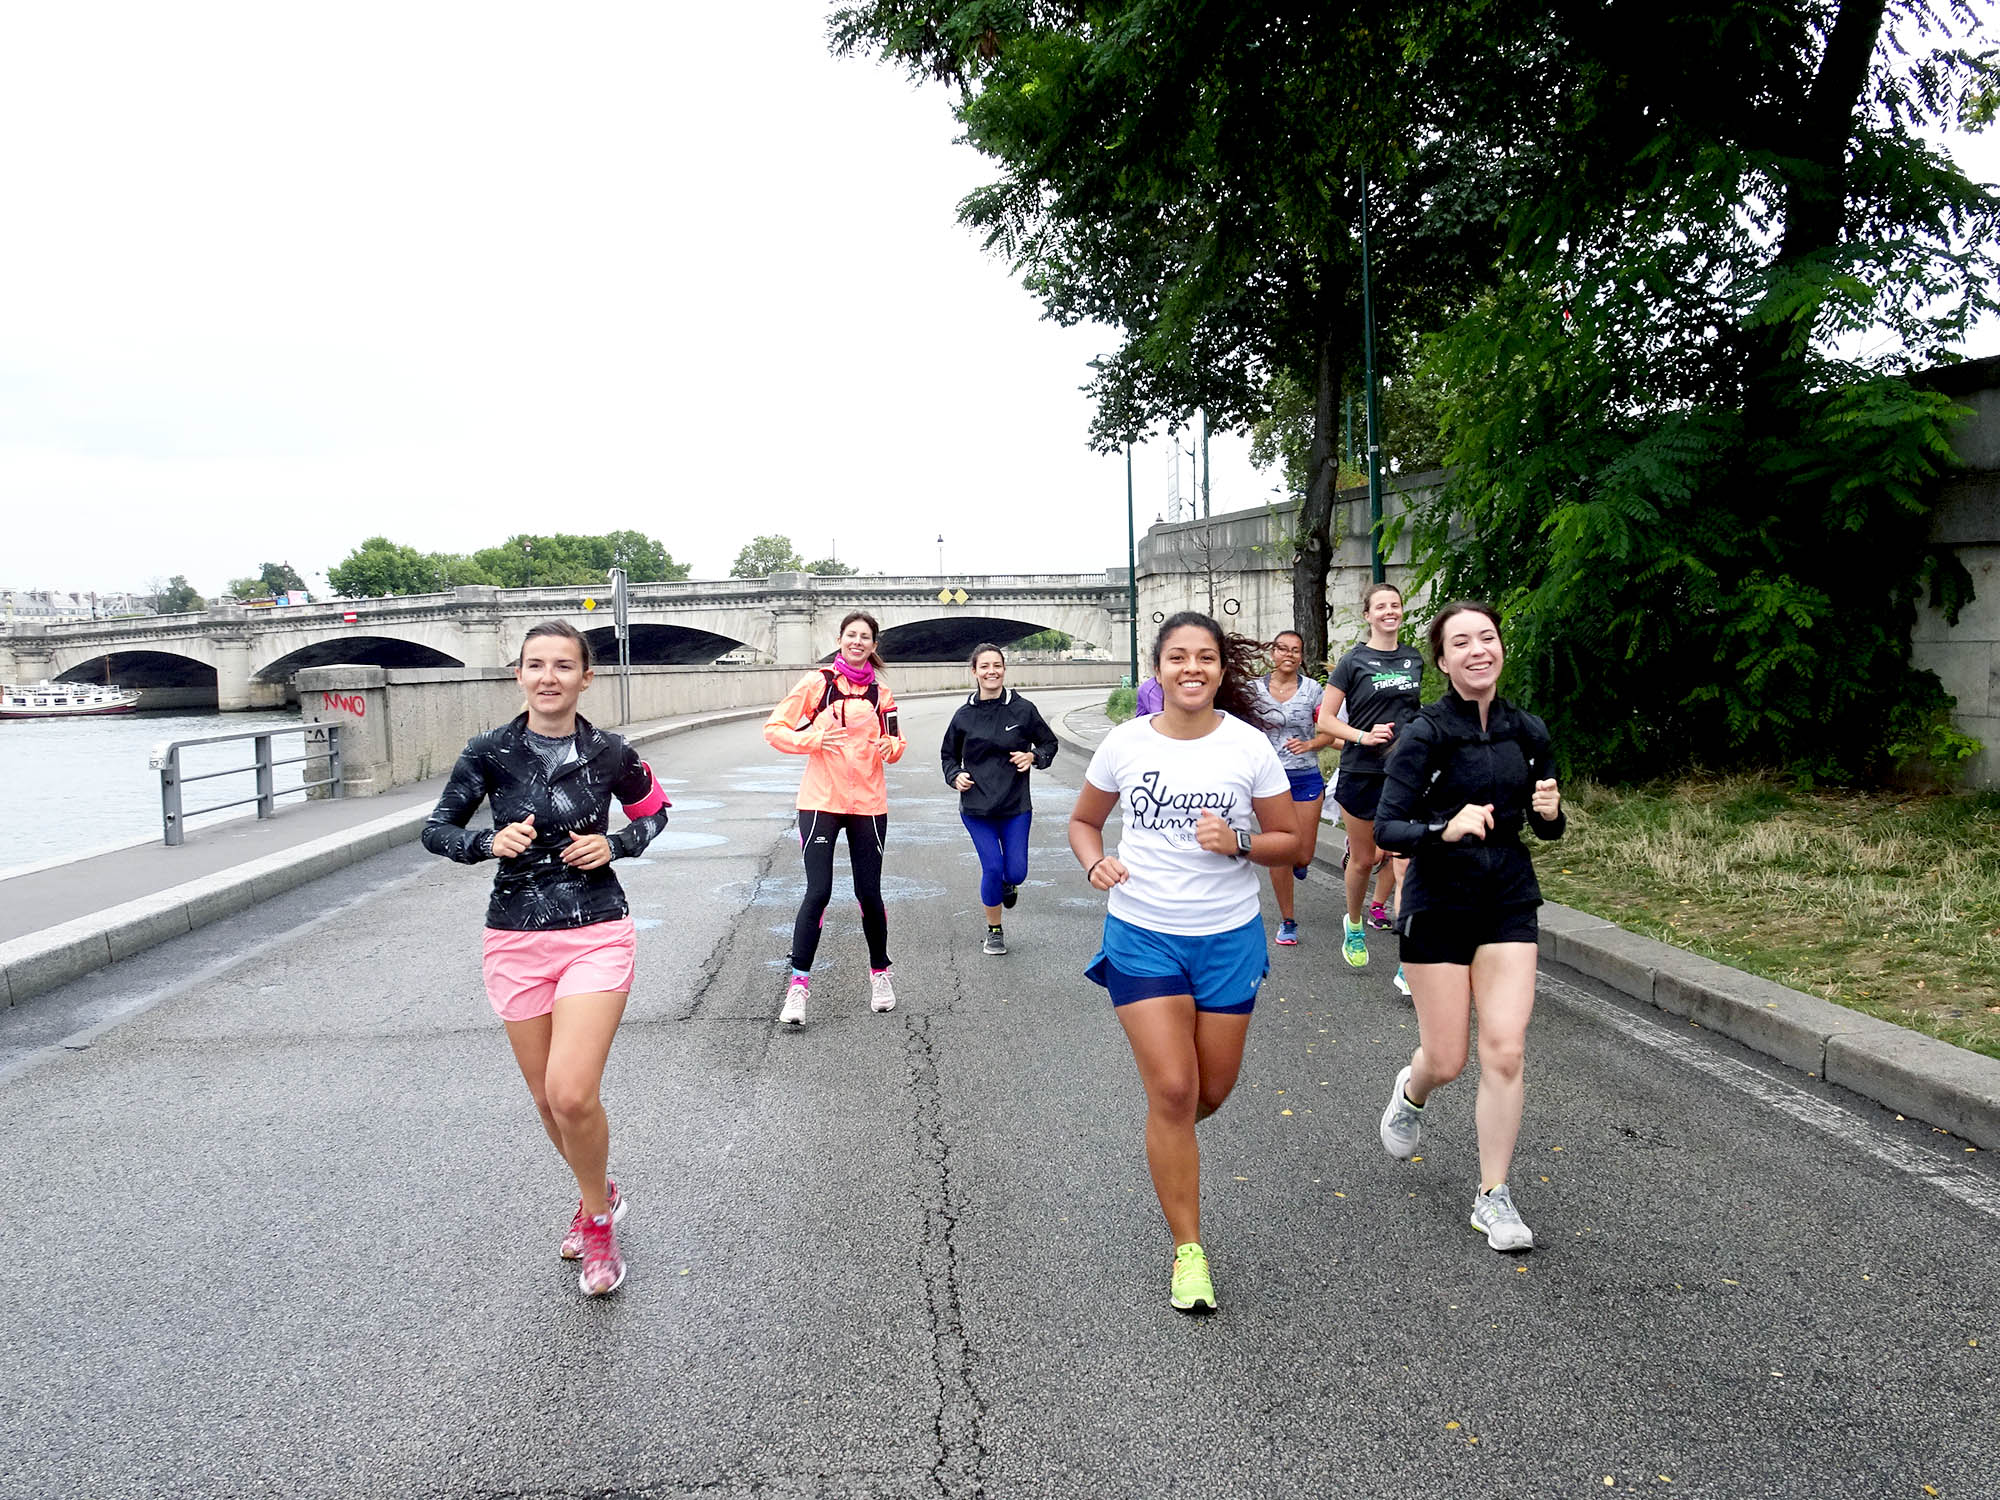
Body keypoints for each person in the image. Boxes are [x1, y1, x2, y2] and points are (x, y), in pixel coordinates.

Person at [421, 619, 671, 1297]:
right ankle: (602, 1189)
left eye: (564, 666)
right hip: (514, 936)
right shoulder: (489, 752)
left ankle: (596, 1224)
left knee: (571, 1091)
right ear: (519, 675)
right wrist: (483, 844)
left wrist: (617, 845)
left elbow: (655, 813)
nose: (549, 677)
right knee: (546, 1101)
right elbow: (435, 828)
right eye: (536, 665)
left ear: (586, 677)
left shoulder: (611, 752)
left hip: (596, 929)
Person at [1068, 611, 1297, 1313]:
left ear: (1222, 669)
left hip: (1228, 938)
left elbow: (1289, 841)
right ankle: (1188, 1253)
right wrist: (1095, 862)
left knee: (1209, 1094)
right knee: (1172, 1091)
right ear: (1158, 669)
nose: (1191, 668)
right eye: (1177, 657)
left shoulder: (1249, 748)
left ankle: (1166, 1143)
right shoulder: (1124, 743)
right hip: (1144, 933)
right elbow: (1085, 822)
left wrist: (1238, 843)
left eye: (1205, 657)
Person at [1372, 601, 1564, 1253]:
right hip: (1439, 900)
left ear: (1501, 648)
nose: (1478, 649)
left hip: (1508, 894)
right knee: (1448, 1058)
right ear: (1443, 659)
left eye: (1487, 637)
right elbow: (1386, 827)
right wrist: (1442, 828)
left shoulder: (1527, 731)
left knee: (1505, 1048)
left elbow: (1546, 825)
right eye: (1462, 642)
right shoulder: (1423, 734)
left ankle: (1493, 1195)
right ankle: (1412, 1088)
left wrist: (1551, 810)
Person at [764, 611, 908, 1025]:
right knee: (818, 892)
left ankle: (880, 974)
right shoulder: (817, 683)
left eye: (865, 637)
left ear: (873, 646)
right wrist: (812, 739)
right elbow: (775, 729)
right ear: (841, 640)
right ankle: (797, 988)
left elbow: (896, 741)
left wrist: (890, 748)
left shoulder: (882, 692)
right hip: (820, 801)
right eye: (851, 635)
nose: (857, 642)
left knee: (869, 894)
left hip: (868, 803)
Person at [1319, 582, 1425, 982]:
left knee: (1405, 862)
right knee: (1365, 860)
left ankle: (1410, 957)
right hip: (1361, 771)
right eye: (1380, 606)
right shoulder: (1353, 661)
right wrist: (1364, 736)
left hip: (1404, 774)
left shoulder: (1414, 659)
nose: (1389, 612)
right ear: (1368, 615)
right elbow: (1326, 720)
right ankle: (1354, 924)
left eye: (1395, 605)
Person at [940, 644, 1059, 955]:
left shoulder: (1022, 710)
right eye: (985, 666)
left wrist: (1033, 755)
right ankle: (994, 930)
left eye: (997, 665)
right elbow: (948, 756)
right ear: (975, 672)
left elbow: (1049, 743)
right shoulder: (964, 715)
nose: (991, 671)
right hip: (977, 807)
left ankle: (1009, 883)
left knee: (1015, 872)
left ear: (1004, 670)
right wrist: (955, 775)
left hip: (1015, 806)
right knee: (992, 867)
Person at [1250, 630, 1333, 946]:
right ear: (1273, 653)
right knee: (1280, 852)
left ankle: (1300, 861)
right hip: (1270, 782)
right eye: (1282, 649)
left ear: (1301, 656)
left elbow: (1329, 730)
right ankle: (1288, 921)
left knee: (1302, 854)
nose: (1288, 655)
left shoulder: (1313, 690)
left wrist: (1310, 743)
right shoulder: (1254, 689)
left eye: (1295, 650)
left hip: (1305, 776)